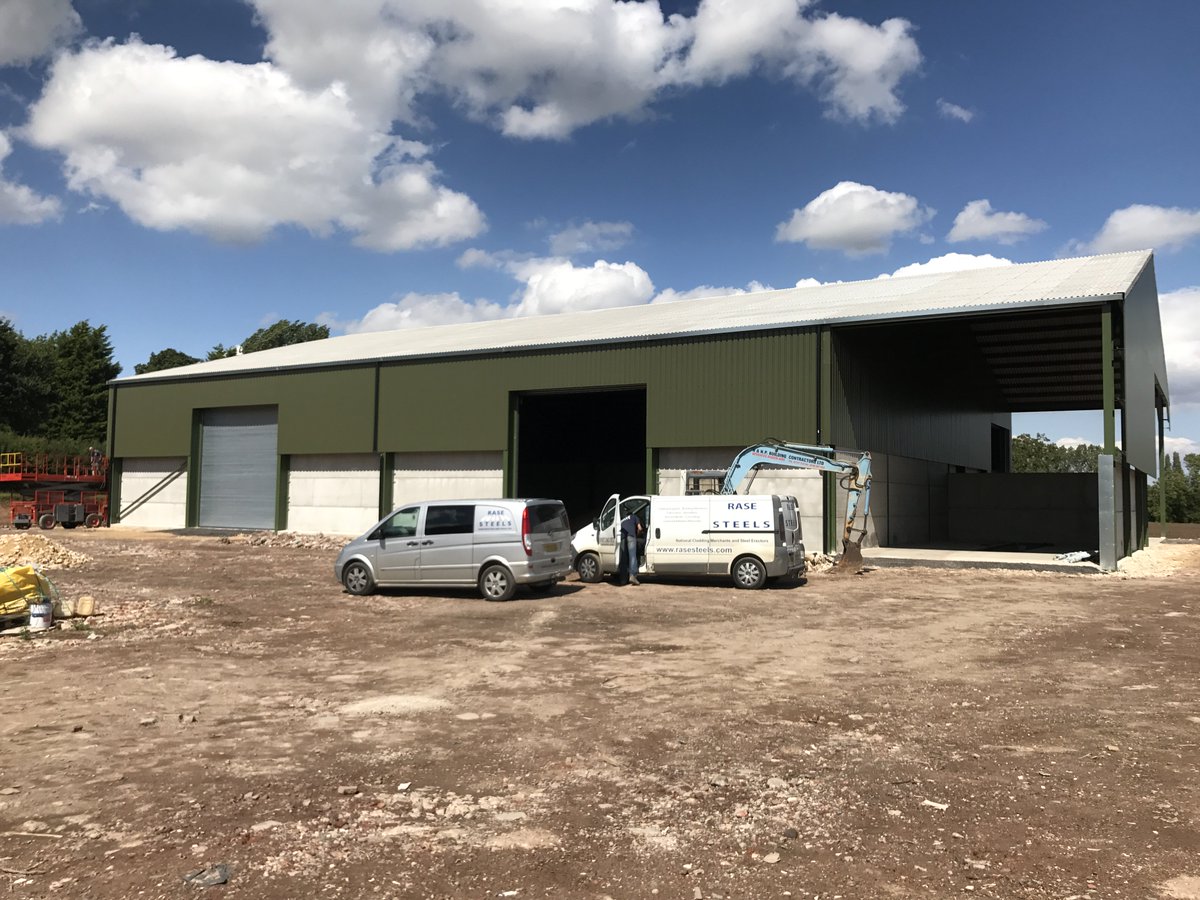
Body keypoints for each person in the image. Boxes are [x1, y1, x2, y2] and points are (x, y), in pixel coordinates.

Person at [619, 506, 643, 586]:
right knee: (632, 556)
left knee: (623, 557)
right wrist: (638, 534)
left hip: (622, 537)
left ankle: (623, 579)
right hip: (631, 536)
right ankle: (632, 576)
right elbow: (639, 528)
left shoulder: (622, 520)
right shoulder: (634, 517)